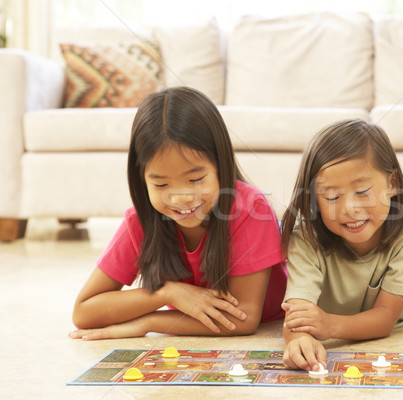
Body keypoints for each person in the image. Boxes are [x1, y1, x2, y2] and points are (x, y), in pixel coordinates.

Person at [70, 87, 287, 340]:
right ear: (142, 180)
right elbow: (84, 313)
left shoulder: (250, 208)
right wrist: (167, 293)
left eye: (196, 179)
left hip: (270, 321)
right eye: (161, 184)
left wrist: (149, 322)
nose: (181, 197)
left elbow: (243, 318)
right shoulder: (140, 220)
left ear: (220, 164)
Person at [280, 119, 403, 371]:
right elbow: (296, 313)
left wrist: (328, 325)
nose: (350, 209)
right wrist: (299, 339)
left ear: (392, 184)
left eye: (362, 192)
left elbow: (384, 319)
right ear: (314, 199)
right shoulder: (305, 238)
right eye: (332, 197)